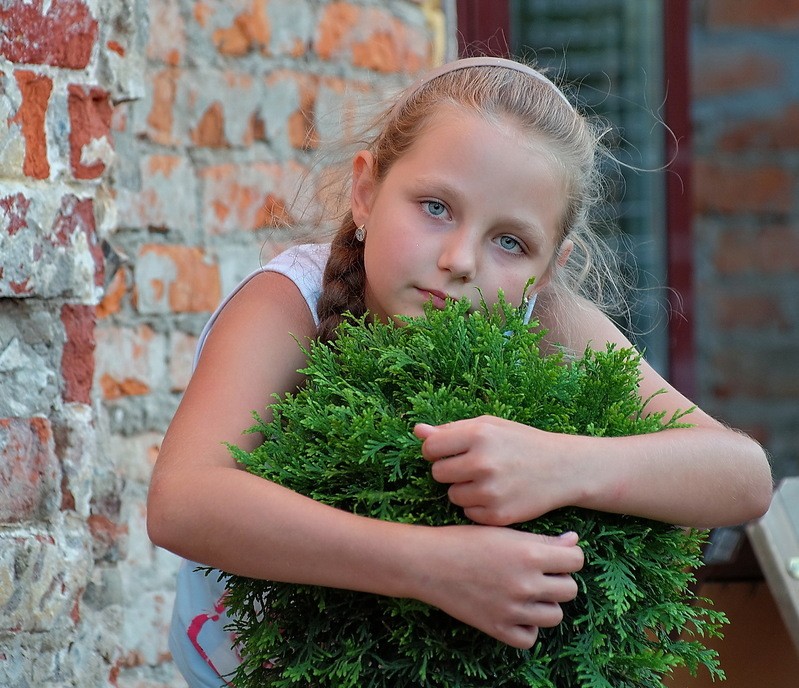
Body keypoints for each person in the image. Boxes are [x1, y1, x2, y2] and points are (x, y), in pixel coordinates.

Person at [146, 56, 773, 687]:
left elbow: (741, 475)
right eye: (436, 207)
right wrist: (430, 566)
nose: (459, 260)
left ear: (550, 267)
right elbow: (183, 502)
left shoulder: (548, 320)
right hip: (250, 670)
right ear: (366, 191)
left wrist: (564, 465)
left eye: (511, 242)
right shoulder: (290, 302)